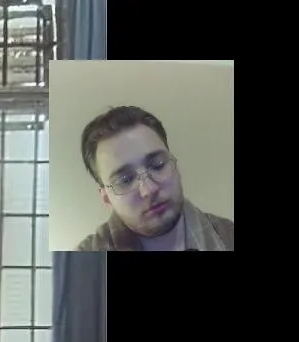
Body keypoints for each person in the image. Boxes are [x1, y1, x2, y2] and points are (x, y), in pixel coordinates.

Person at [75, 105, 234, 251]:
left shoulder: (229, 237)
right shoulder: (81, 263)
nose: (149, 189)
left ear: (175, 166)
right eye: (125, 180)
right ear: (106, 199)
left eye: (158, 165)